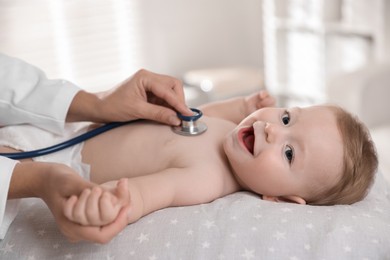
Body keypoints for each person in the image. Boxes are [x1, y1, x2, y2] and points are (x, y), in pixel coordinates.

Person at [1, 89, 378, 231]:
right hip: (68, 126)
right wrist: (242, 105)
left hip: (56, 159)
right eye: (286, 118)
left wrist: (113, 204)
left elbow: (153, 193)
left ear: (281, 200)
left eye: (290, 153)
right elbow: (200, 114)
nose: (272, 131)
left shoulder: (209, 178)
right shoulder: (234, 131)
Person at [0, 53, 193, 243]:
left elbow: (141, 194)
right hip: (39, 141)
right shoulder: (219, 121)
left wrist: (106, 204)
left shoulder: (212, 174)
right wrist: (36, 179)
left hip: (49, 155)